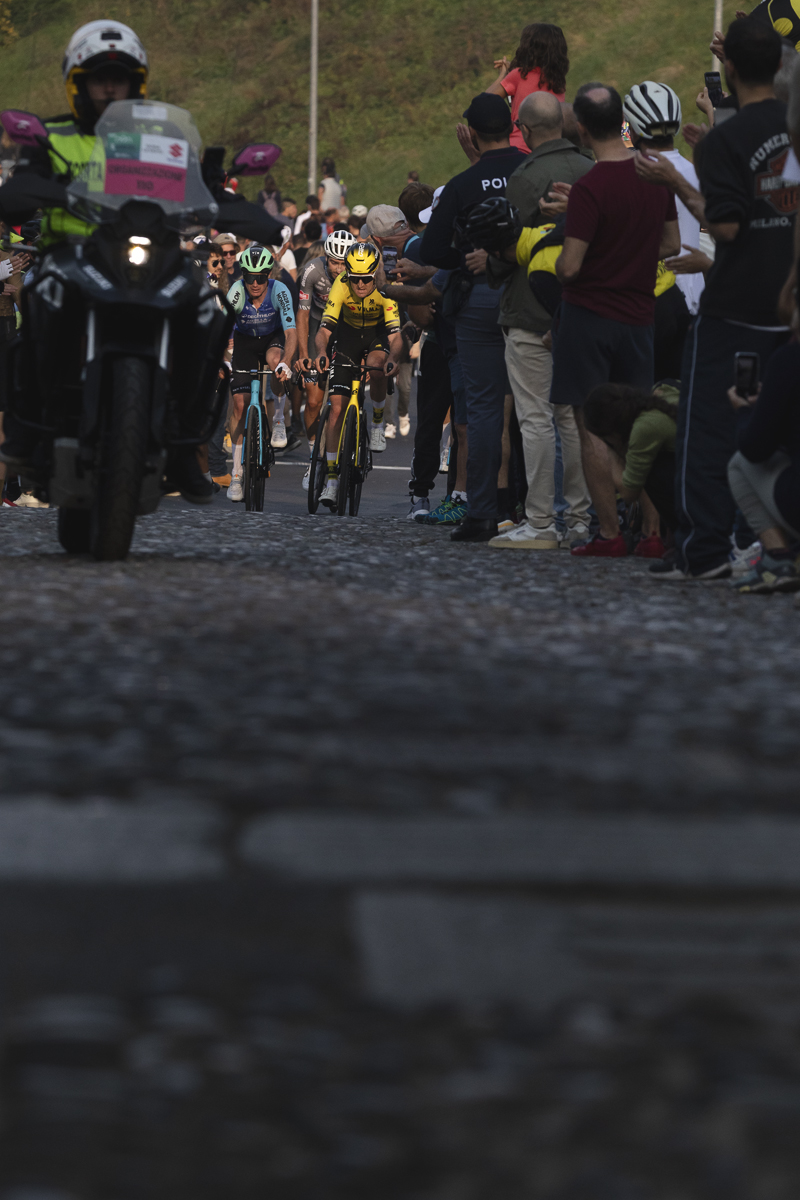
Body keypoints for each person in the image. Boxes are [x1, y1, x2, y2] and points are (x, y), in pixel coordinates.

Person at [637, 18, 797, 581]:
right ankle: (766, 542)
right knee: (777, 428)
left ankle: (704, 551)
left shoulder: (729, 138)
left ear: (729, 66)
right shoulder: (793, 127)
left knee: (706, 426)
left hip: (736, 305)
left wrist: (677, 186)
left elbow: (726, 227)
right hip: (790, 302)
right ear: (782, 66)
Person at [546, 83, 680, 558]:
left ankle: (609, 532)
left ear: (580, 127)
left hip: (589, 317)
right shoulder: (653, 176)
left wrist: (561, 248)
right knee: (637, 425)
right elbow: (669, 246)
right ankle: (655, 529)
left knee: (591, 426)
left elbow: (571, 267)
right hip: (640, 316)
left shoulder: (590, 187)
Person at [483, 91, 592, 550]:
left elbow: (506, 251)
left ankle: (542, 521)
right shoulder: (589, 169)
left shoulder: (524, 178)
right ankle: (584, 518)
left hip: (530, 310)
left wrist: (487, 258)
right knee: (573, 418)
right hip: (582, 309)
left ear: (524, 131)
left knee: (535, 419)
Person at [421, 93, 526, 541]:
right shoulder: (531, 168)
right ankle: (540, 511)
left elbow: (431, 250)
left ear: (473, 133)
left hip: (480, 298)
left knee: (484, 411)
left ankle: (484, 510)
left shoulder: (464, 183)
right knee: (539, 411)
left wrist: (467, 257)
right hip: (530, 292)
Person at [313, 242, 403, 508]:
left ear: (375, 273)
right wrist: (320, 351)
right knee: (337, 410)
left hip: (376, 335)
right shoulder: (341, 284)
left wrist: (394, 358)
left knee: (377, 367)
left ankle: (376, 423)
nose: (361, 284)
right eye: (355, 279)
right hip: (348, 337)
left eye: (366, 279)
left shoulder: (386, 290)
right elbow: (325, 330)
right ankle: (331, 480)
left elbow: (395, 336)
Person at [727, 339, 800, 593]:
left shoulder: (789, 357)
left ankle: (777, 558)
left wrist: (746, 412)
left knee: (739, 464)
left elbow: (755, 448)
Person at [226, 246, 296, 501]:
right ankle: (236, 473)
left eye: (261, 277)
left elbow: (290, 332)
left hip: (272, 339)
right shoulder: (236, 291)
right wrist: (223, 359)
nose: (255, 283)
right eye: (249, 277)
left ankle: (278, 418)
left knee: (275, 362)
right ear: (243, 275)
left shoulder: (280, 291)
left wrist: (286, 363)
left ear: (269, 275)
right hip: (244, 343)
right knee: (238, 405)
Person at [583, 382, 680, 558]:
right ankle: (663, 536)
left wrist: (611, 450)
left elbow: (628, 493)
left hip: (711, 477)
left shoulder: (644, 429)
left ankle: (684, 535)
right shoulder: (661, 393)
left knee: (652, 471)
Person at [361, 203, 426, 446]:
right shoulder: (416, 245)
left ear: (376, 239)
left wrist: (386, 288)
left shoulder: (413, 254)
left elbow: (420, 317)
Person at [297, 228, 355, 488]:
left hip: (347, 330)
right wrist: (302, 355)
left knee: (344, 397)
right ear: (326, 257)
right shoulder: (312, 271)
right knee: (313, 401)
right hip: (317, 331)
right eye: (334, 262)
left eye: (344, 263)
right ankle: (315, 458)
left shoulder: (359, 273)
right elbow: (303, 314)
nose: (338, 268)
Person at [486, 24, 569, 153]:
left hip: (519, 148)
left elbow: (485, 101)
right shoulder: (558, 82)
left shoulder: (519, 75)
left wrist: (504, 74)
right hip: (550, 150)